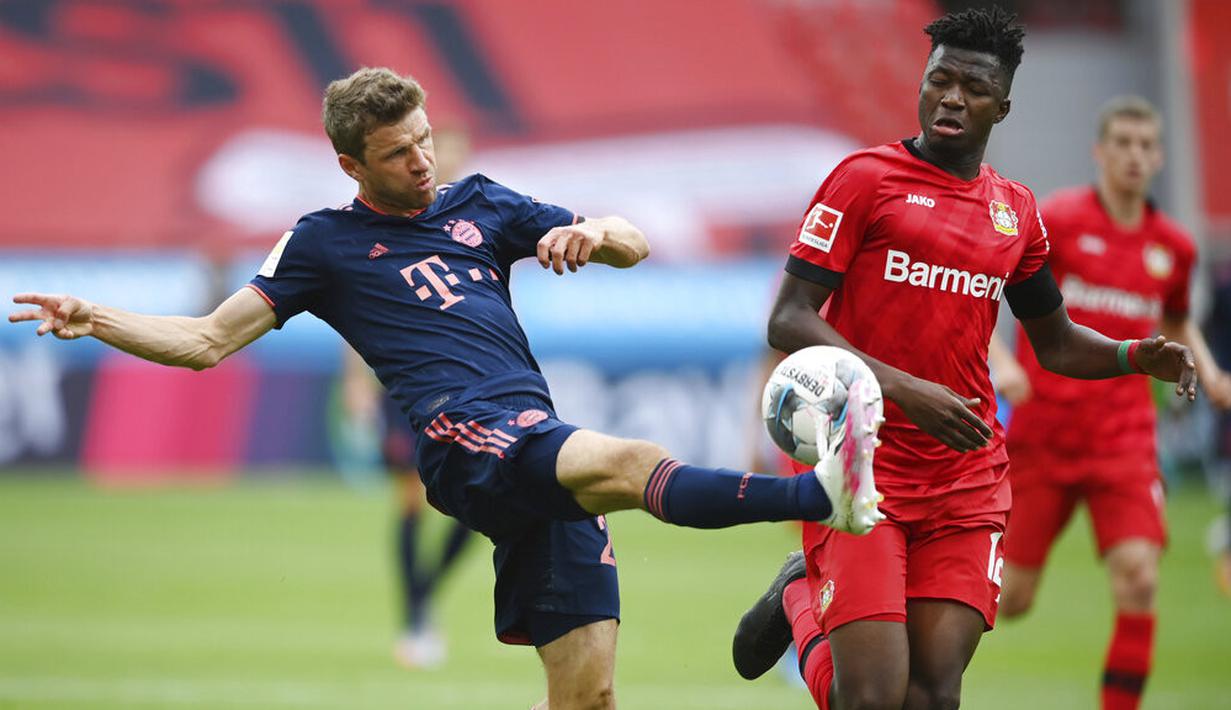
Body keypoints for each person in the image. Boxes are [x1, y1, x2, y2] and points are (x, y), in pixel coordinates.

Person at [9, 67, 883, 710]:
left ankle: (815, 507)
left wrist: (594, 237)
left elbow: (631, 239)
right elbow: (205, 341)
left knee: (588, 700)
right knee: (631, 459)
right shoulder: (320, 243)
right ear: (352, 165)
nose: (422, 162)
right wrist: (101, 319)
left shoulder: (483, 202)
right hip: (466, 439)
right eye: (398, 153)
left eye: (424, 139)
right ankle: (816, 495)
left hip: (531, 435)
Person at [729, 8, 1197, 710]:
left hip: (964, 476)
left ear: (1000, 106)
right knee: (870, 699)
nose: (951, 97)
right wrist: (904, 390)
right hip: (861, 461)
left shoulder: (1015, 213)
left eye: (971, 88)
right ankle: (800, 595)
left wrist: (1134, 354)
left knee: (933, 695)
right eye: (938, 80)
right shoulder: (862, 180)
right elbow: (787, 318)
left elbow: (1056, 341)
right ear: (921, 85)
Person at [986, 96, 1231, 710]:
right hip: (1043, 435)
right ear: (1099, 151)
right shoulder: (1056, 221)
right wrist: (1003, 360)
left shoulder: (1173, 246)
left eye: (1145, 145)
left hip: (1123, 439)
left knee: (1140, 578)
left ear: (1160, 158)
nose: (1133, 155)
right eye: (1121, 142)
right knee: (1007, 600)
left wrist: (1210, 366)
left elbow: (1175, 314)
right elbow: (981, 288)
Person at [339, 122, 473, 669]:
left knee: (475, 511)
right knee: (410, 504)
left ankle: (423, 601)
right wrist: (355, 381)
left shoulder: (475, 226)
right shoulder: (384, 227)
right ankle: (415, 618)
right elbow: (359, 309)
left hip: (467, 392)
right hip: (405, 391)